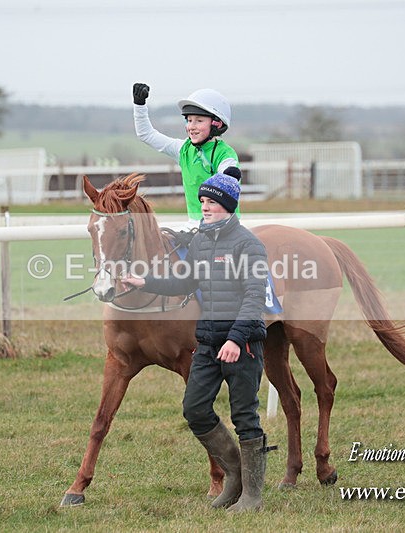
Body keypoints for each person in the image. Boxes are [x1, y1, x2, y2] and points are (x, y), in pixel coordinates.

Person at [122, 173, 270, 512]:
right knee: (195, 409)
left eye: (212, 203)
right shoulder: (201, 241)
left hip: (242, 345)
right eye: (203, 202)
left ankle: (253, 495)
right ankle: (235, 477)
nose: (205, 208)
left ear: (229, 207)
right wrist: (144, 281)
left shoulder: (250, 245)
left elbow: (254, 297)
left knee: (244, 415)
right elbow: (186, 280)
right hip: (207, 342)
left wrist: (235, 339)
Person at [133, 83, 242, 230]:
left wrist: (229, 175)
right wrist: (139, 105)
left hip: (222, 226)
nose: (191, 126)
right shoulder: (183, 149)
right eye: (189, 120)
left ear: (217, 124)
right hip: (193, 225)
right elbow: (146, 134)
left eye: (199, 121)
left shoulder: (224, 153)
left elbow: (229, 173)